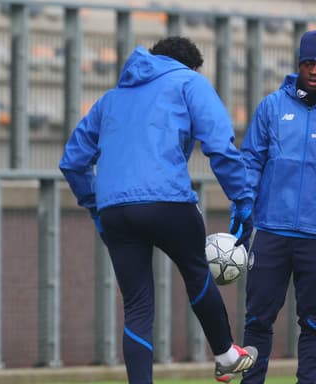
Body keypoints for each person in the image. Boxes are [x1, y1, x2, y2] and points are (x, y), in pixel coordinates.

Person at [59, 36, 258, 383]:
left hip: (115, 210)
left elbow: (73, 162)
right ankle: (226, 354)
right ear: (190, 66)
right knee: (196, 271)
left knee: (137, 307)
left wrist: (96, 208)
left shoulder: (110, 99)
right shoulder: (190, 82)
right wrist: (242, 200)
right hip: (167, 201)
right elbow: (219, 145)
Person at [239, 30, 316, 384]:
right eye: (309, 62)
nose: (314, 70)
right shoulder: (272, 106)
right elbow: (251, 162)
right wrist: (243, 215)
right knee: (257, 320)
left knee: (314, 324)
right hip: (271, 231)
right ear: (299, 63)